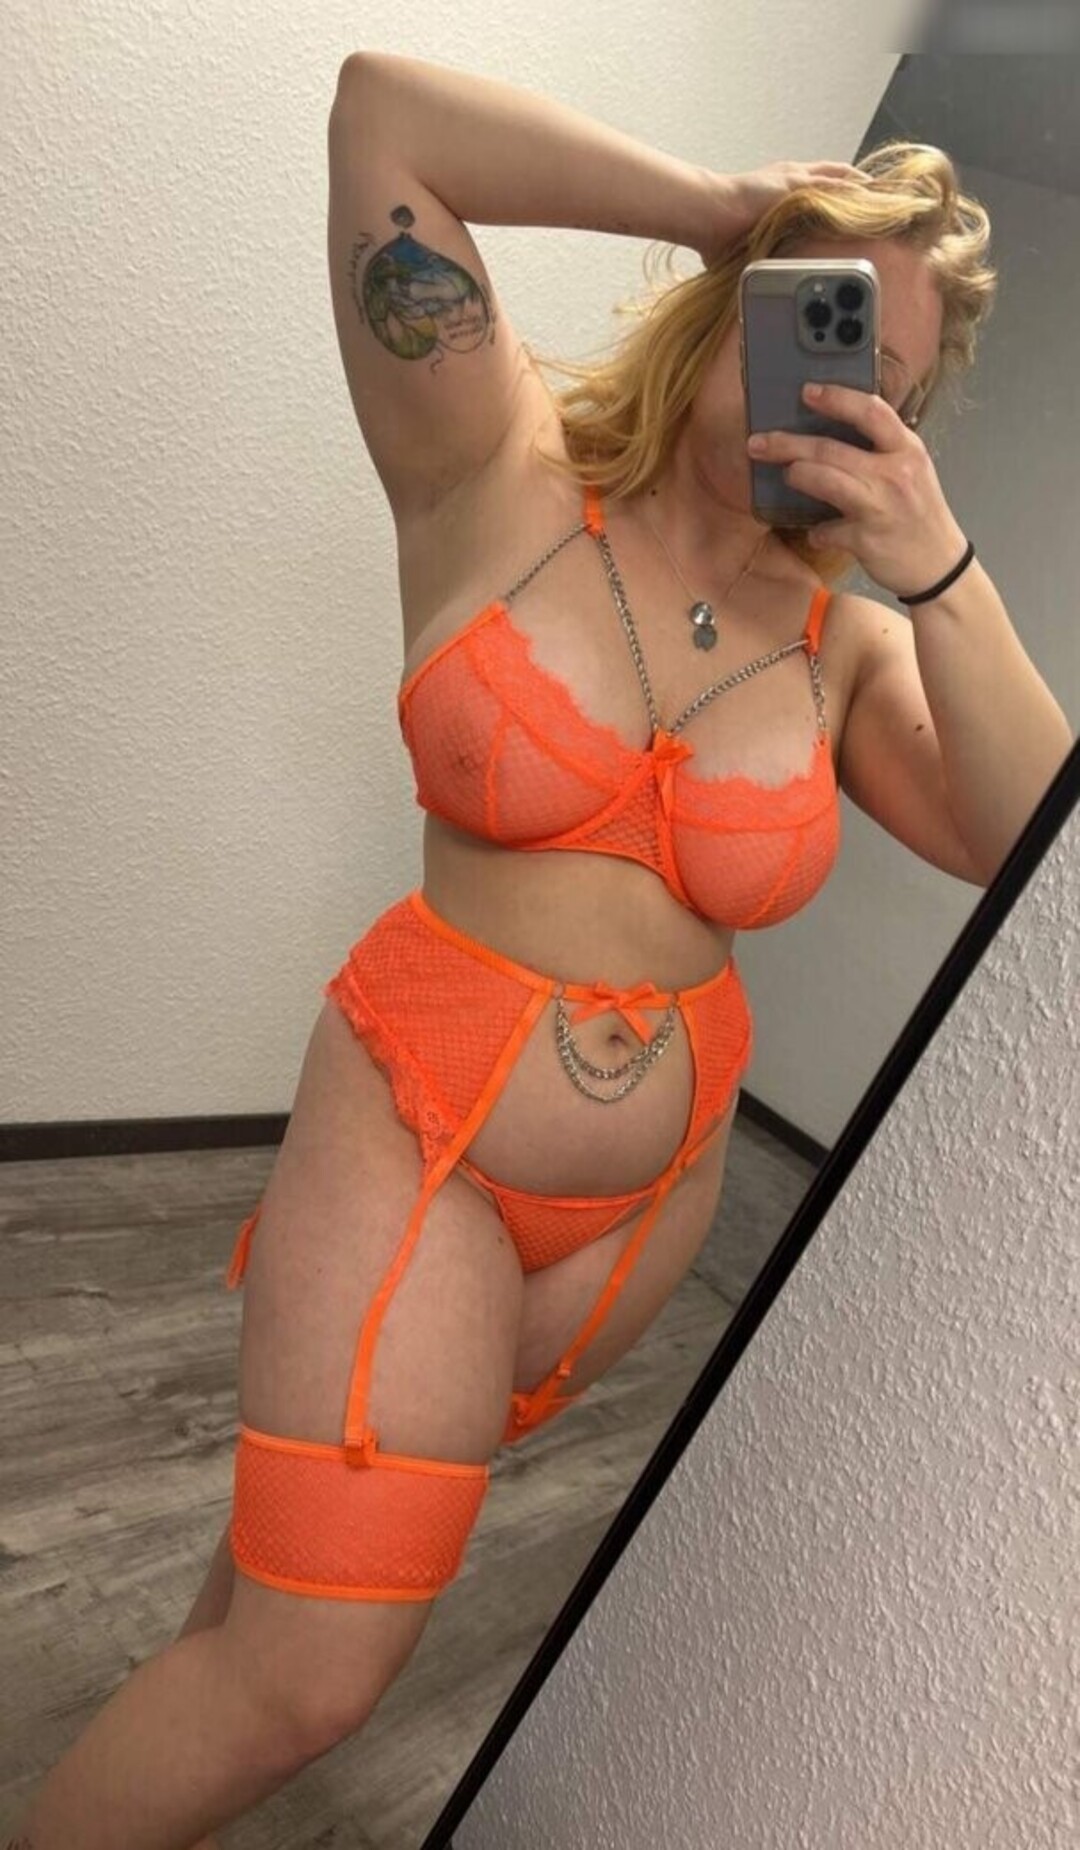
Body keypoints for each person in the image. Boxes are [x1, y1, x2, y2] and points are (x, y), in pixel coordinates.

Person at [14, 49, 1073, 1850]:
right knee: (312, 1675)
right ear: (744, 292)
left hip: (644, 1202)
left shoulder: (846, 650)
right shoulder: (491, 460)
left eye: (883, 389)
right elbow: (380, 113)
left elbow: (1036, 845)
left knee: (301, 1559)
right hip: (425, 1125)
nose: (836, 391)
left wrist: (942, 567)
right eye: (820, 316)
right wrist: (715, 205)